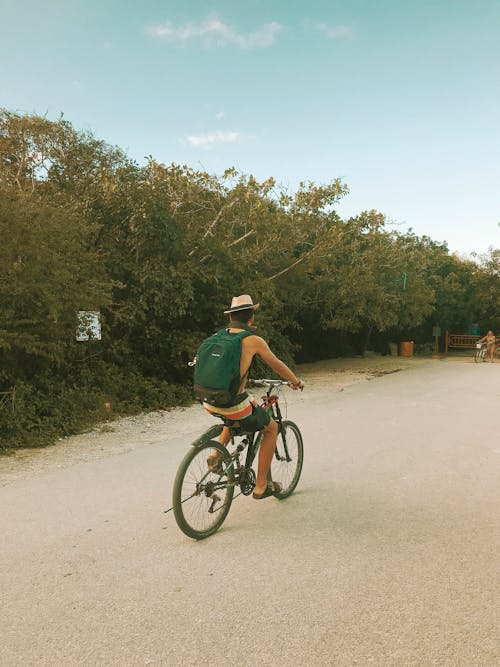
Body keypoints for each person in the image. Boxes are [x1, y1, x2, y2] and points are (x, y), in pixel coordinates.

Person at [202, 294, 304, 500]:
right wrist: (295, 381)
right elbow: (277, 365)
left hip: (208, 401)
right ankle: (261, 486)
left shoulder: (219, 336)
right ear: (251, 318)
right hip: (232, 403)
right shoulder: (252, 340)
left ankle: (215, 455)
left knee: (236, 415)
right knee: (272, 428)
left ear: (231, 318)